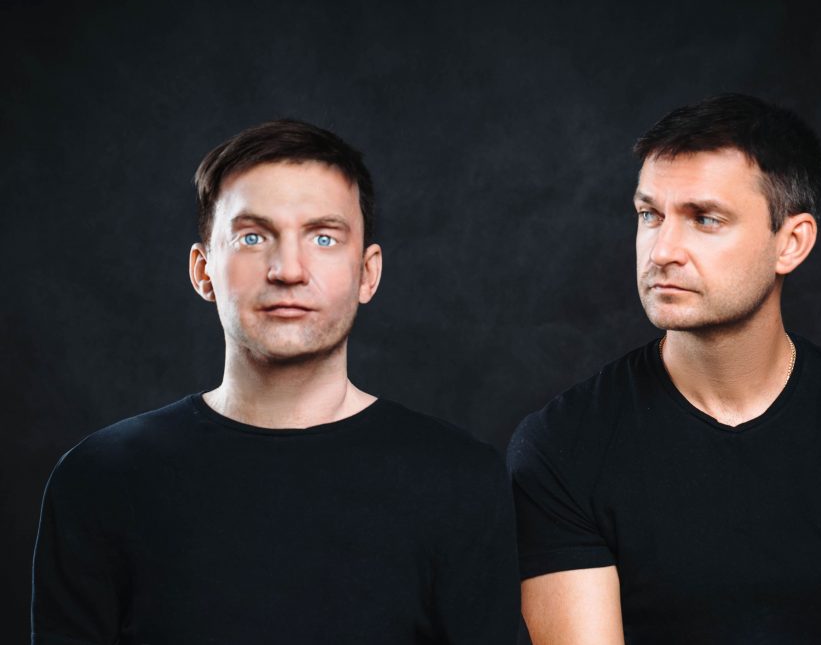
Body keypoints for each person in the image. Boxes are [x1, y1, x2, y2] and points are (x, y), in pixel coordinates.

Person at [507, 94, 821, 644]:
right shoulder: (562, 446)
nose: (662, 251)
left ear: (791, 243)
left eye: (705, 219)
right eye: (650, 215)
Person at [32, 120, 520, 644]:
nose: (288, 270)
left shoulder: (460, 480)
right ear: (203, 270)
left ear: (368, 273)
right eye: (253, 237)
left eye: (324, 237)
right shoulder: (100, 478)